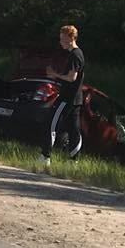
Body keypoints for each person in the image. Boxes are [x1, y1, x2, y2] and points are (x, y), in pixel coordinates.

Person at [39, 23, 86, 169]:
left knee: (51, 123)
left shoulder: (75, 55)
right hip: (76, 99)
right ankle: (74, 161)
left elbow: (72, 78)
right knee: (73, 128)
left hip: (67, 98)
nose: (60, 42)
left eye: (62, 39)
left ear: (70, 38)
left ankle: (45, 156)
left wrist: (55, 75)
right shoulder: (78, 54)